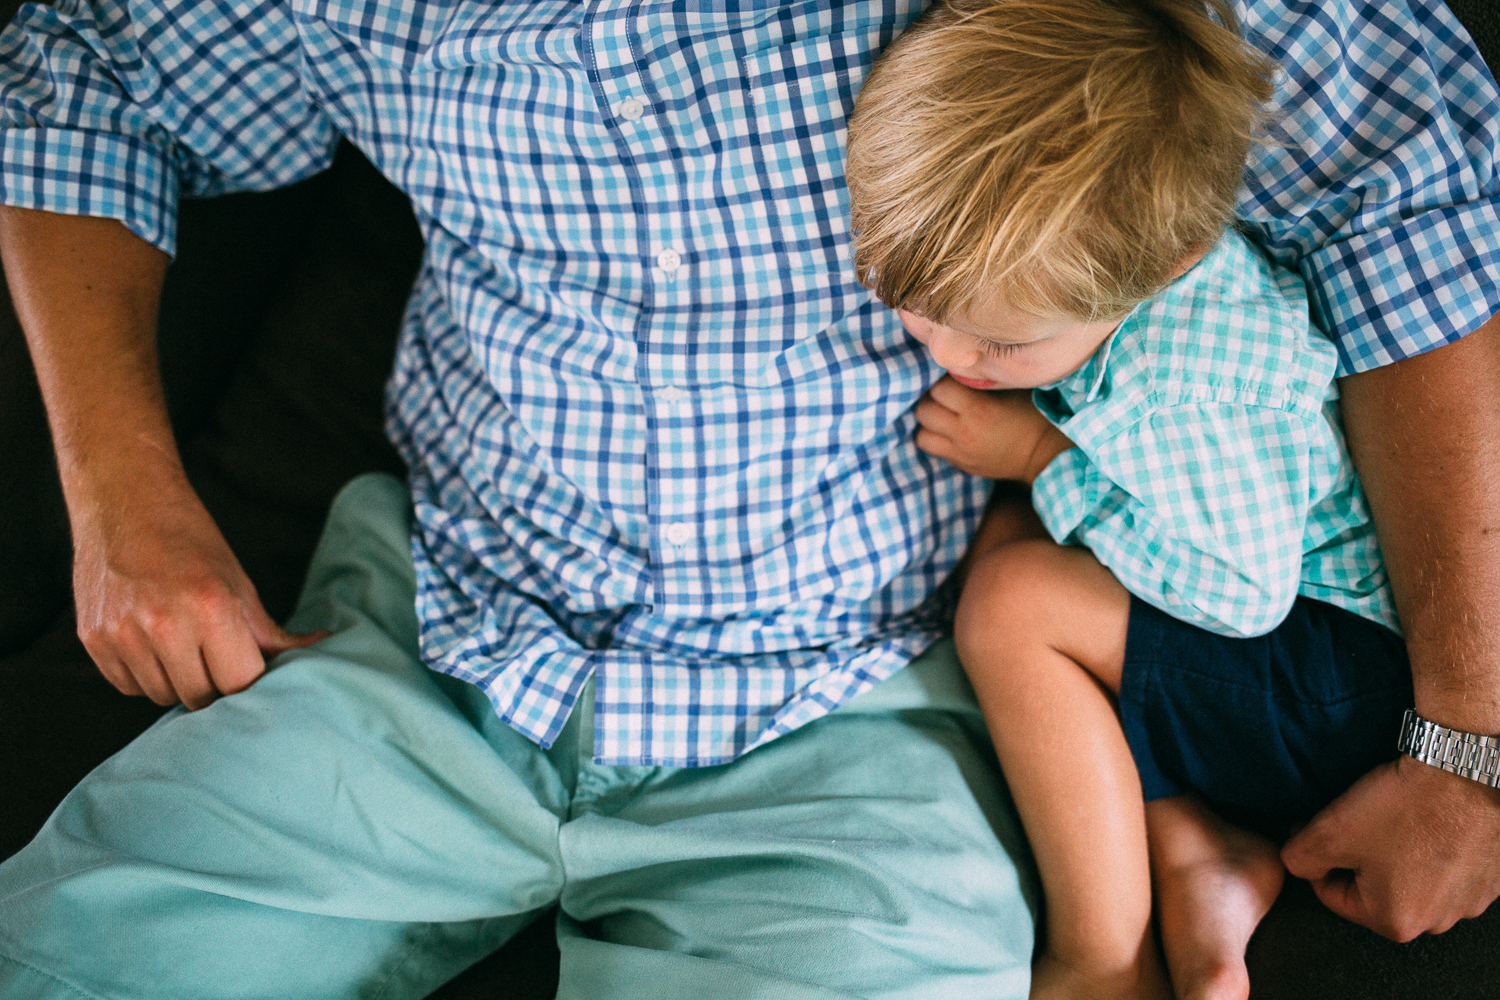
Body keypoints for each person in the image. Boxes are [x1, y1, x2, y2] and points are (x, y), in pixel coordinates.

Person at [0, 0, 1495, 996]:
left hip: (861, 715)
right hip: (417, 641)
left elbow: (1416, 180)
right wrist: (125, 504)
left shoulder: (1063, 45)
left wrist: (1472, 743)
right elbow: (82, 70)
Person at [846, 2, 1407, 997]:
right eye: (917, 302)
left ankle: (1100, 951)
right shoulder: (1109, 261)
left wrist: (1045, 458)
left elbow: (1241, 594)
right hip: (1282, 639)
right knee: (1013, 551)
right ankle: (1203, 851)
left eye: (1000, 342)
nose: (948, 351)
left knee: (1014, 601)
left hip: (1339, 677)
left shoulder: (1173, 393)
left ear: (1159, 274)